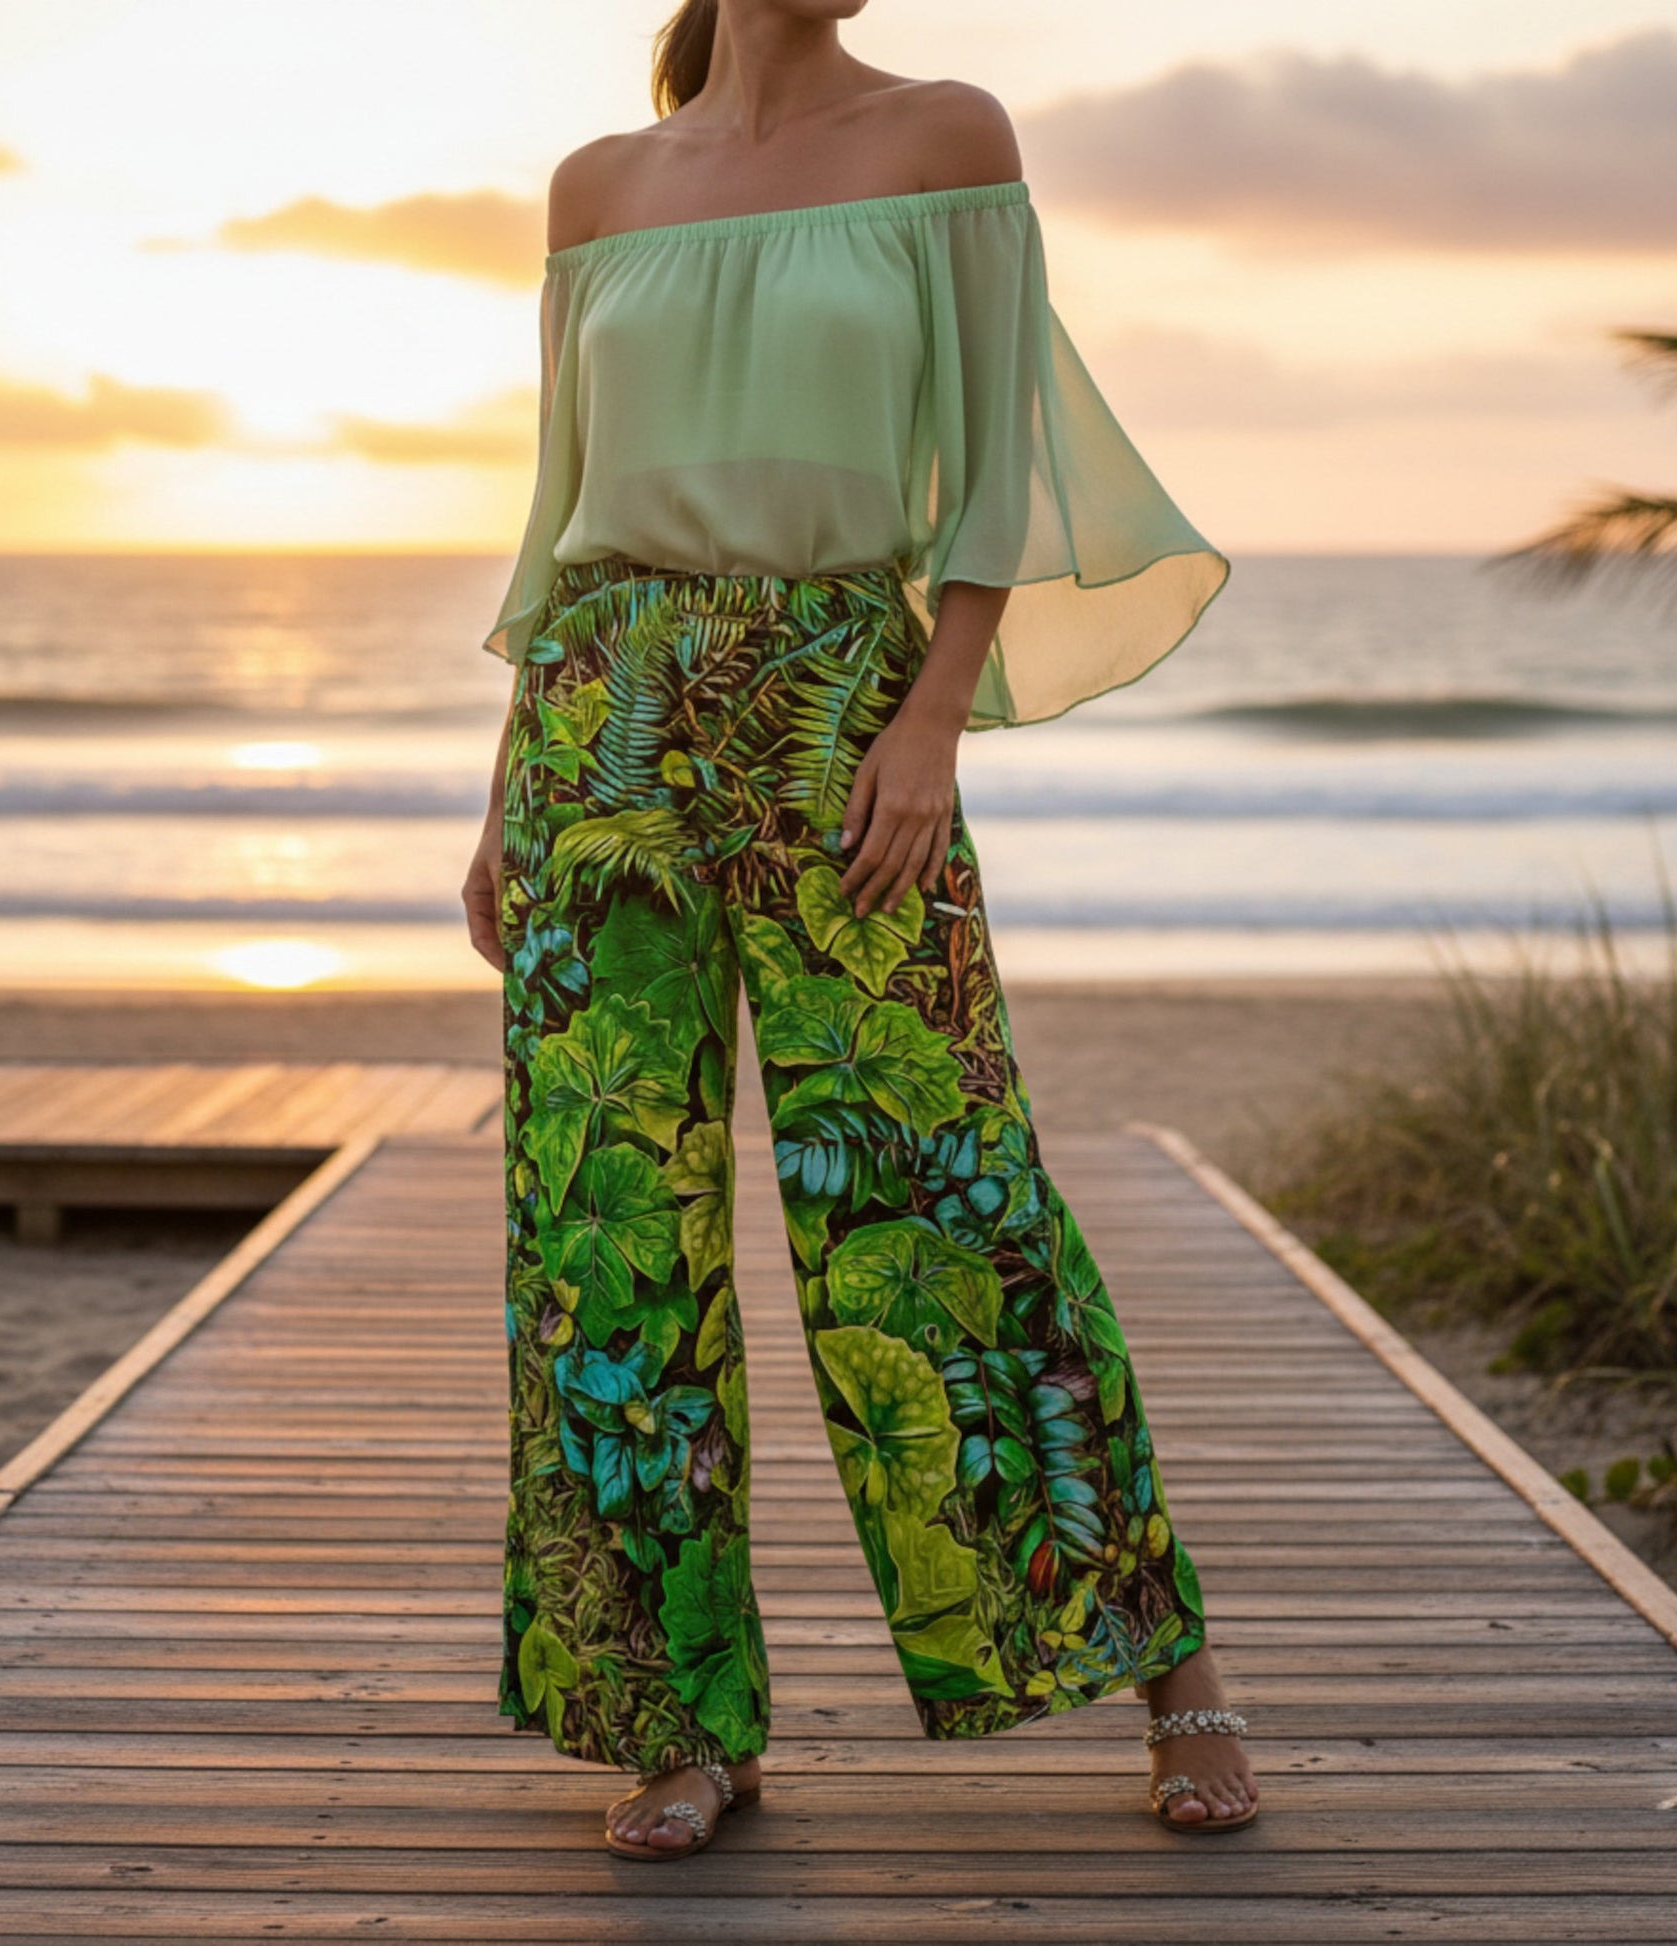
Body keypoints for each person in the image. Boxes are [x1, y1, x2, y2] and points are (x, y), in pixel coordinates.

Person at [460, 0, 1258, 1858]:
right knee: (604, 1233)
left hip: (838, 700)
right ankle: (674, 1721)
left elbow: (985, 464)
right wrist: (511, 779)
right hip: (604, 721)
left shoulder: (943, 137)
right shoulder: (598, 187)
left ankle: (1175, 1664)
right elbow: (556, 523)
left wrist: (929, 717)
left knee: (942, 1189)